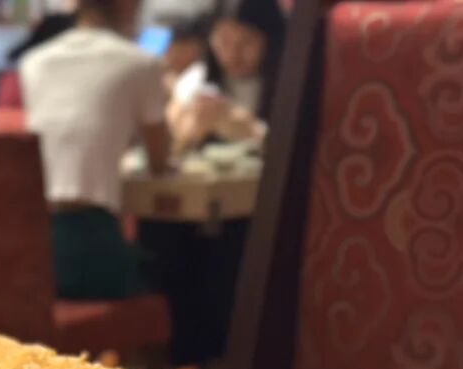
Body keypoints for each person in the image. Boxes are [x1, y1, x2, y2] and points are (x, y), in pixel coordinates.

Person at [20, 0, 170, 300]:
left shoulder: (33, 62)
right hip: (88, 238)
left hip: (27, 244)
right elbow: (159, 161)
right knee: (167, 275)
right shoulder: (141, 63)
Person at [167, 0, 286, 153]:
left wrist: (252, 130)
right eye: (224, 41)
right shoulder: (197, 77)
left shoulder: (288, 84)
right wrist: (192, 130)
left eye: (246, 42)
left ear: (271, 41)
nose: (233, 55)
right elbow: (166, 143)